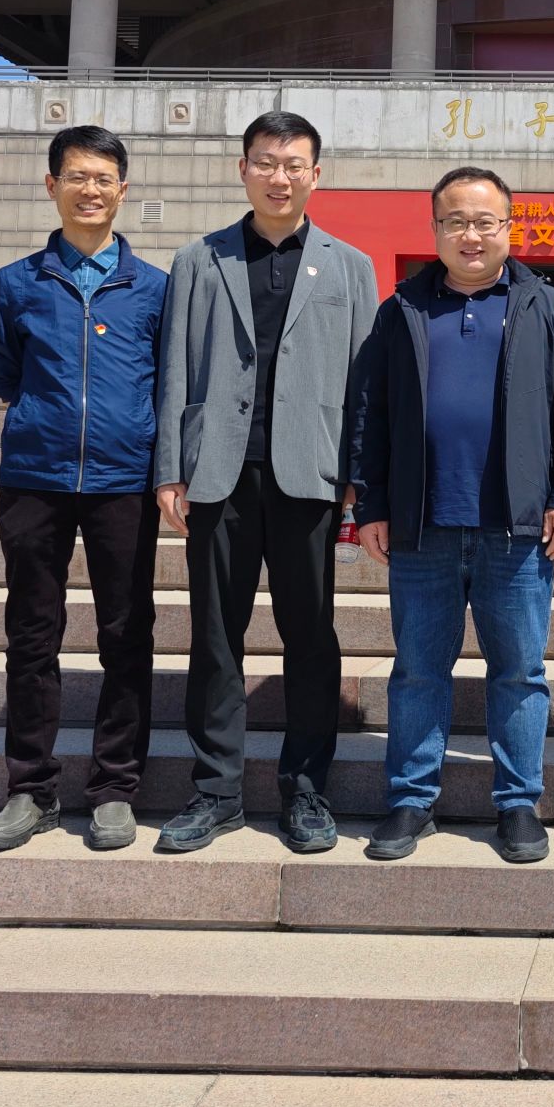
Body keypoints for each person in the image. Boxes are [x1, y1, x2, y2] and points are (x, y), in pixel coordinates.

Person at [350, 166, 554, 864]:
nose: (471, 235)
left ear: (508, 228)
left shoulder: (546, 305)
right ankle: (410, 800)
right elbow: (369, 409)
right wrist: (372, 503)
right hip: (422, 525)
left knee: (518, 671)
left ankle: (518, 804)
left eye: (486, 221)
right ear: (435, 230)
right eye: (456, 221)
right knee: (417, 670)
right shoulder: (402, 308)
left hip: (515, 528)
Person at [152, 110, 377, 855]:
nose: (279, 177)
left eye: (294, 165)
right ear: (242, 169)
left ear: (317, 175)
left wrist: (359, 472)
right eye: (266, 163)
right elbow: (175, 368)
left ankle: (307, 789)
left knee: (309, 635)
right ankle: (216, 792)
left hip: (310, 474)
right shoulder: (200, 259)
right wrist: (170, 469)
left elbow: (364, 382)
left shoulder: (349, 266)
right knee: (216, 636)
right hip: (218, 473)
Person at [0, 126, 167, 853]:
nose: (91, 190)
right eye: (78, 177)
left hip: (124, 480)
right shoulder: (16, 282)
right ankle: (30, 788)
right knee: (32, 634)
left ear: (123, 189)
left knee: (126, 633)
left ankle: (115, 787)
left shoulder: (154, 288)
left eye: (104, 178)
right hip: (35, 477)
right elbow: (4, 370)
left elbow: (167, 378)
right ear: (51, 185)